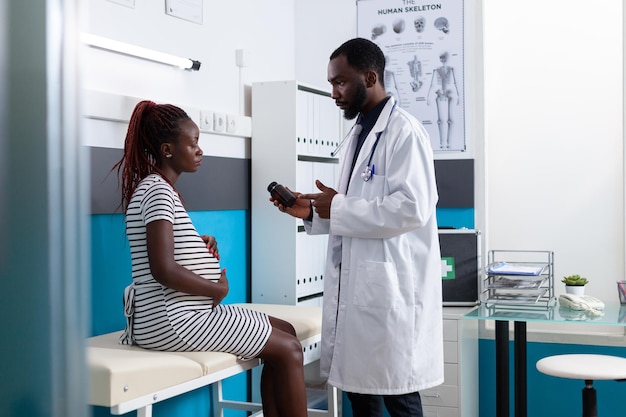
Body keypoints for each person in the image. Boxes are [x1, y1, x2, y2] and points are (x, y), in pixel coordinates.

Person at [271, 38, 444, 417]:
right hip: (360, 287)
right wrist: (313, 212)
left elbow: (413, 208)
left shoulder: (404, 132)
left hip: (390, 290)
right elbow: (352, 208)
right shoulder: (360, 133)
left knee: (398, 396)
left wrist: (341, 207)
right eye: (332, 83)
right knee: (360, 394)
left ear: (370, 76)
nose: (333, 93)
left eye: (341, 82)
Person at [112, 100, 308, 417]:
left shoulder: (153, 189)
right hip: (176, 321)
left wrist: (196, 242)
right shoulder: (158, 191)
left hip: (177, 316)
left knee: (285, 332)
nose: (200, 150)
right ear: (167, 149)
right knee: (288, 349)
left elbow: (163, 246)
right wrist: (215, 290)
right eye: (193, 143)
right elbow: (162, 269)